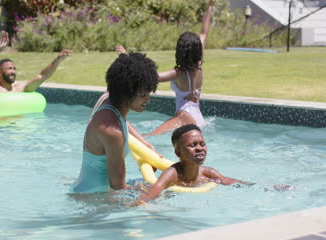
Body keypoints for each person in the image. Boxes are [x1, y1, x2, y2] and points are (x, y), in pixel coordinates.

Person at [116, 0, 217, 135]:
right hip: (198, 117)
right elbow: (204, 33)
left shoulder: (179, 73)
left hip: (184, 116)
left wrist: (125, 56)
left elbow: (147, 75)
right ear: (198, 49)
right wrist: (210, 6)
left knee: (147, 136)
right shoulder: (199, 65)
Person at [71, 52, 159, 193]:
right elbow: (118, 187)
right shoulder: (112, 132)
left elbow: (123, 121)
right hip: (93, 201)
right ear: (126, 93)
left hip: (87, 190)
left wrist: (146, 144)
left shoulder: (108, 99)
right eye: (143, 95)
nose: (148, 99)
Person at [133, 124, 249, 205]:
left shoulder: (208, 173)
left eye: (202, 144)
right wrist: (141, 203)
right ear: (178, 152)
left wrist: (255, 186)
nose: (199, 148)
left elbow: (229, 182)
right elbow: (151, 193)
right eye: (192, 145)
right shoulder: (173, 174)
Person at [0, 31, 72, 93]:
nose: (13, 71)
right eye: (9, 69)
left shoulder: (21, 88)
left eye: (14, 69)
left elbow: (42, 76)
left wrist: (57, 60)